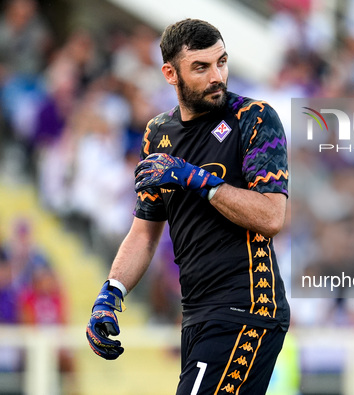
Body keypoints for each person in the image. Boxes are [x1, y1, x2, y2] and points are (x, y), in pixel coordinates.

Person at [86, 18, 290, 395]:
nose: (217, 76)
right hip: (195, 313)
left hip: (247, 306)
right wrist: (111, 293)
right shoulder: (157, 134)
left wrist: (198, 179)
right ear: (170, 73)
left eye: (222, 62)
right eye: (201, 67)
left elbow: (271, 215)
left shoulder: (254, 118)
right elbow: (144, 230)